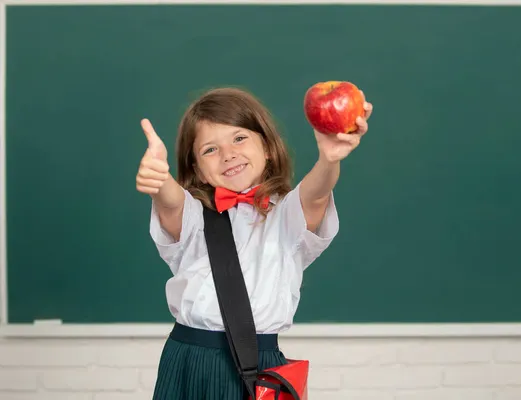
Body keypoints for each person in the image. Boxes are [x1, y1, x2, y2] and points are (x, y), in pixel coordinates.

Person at [135, 86, 373, 399]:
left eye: (239, 138)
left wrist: (329, 160)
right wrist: (159, 179)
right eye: (210, 150)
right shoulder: (194, 217)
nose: (228, 154)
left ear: (268, 148)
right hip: (188, 360)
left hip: (259, 364)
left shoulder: (287, 216)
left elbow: (315, 194)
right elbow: (171, 204)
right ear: (196, 169)